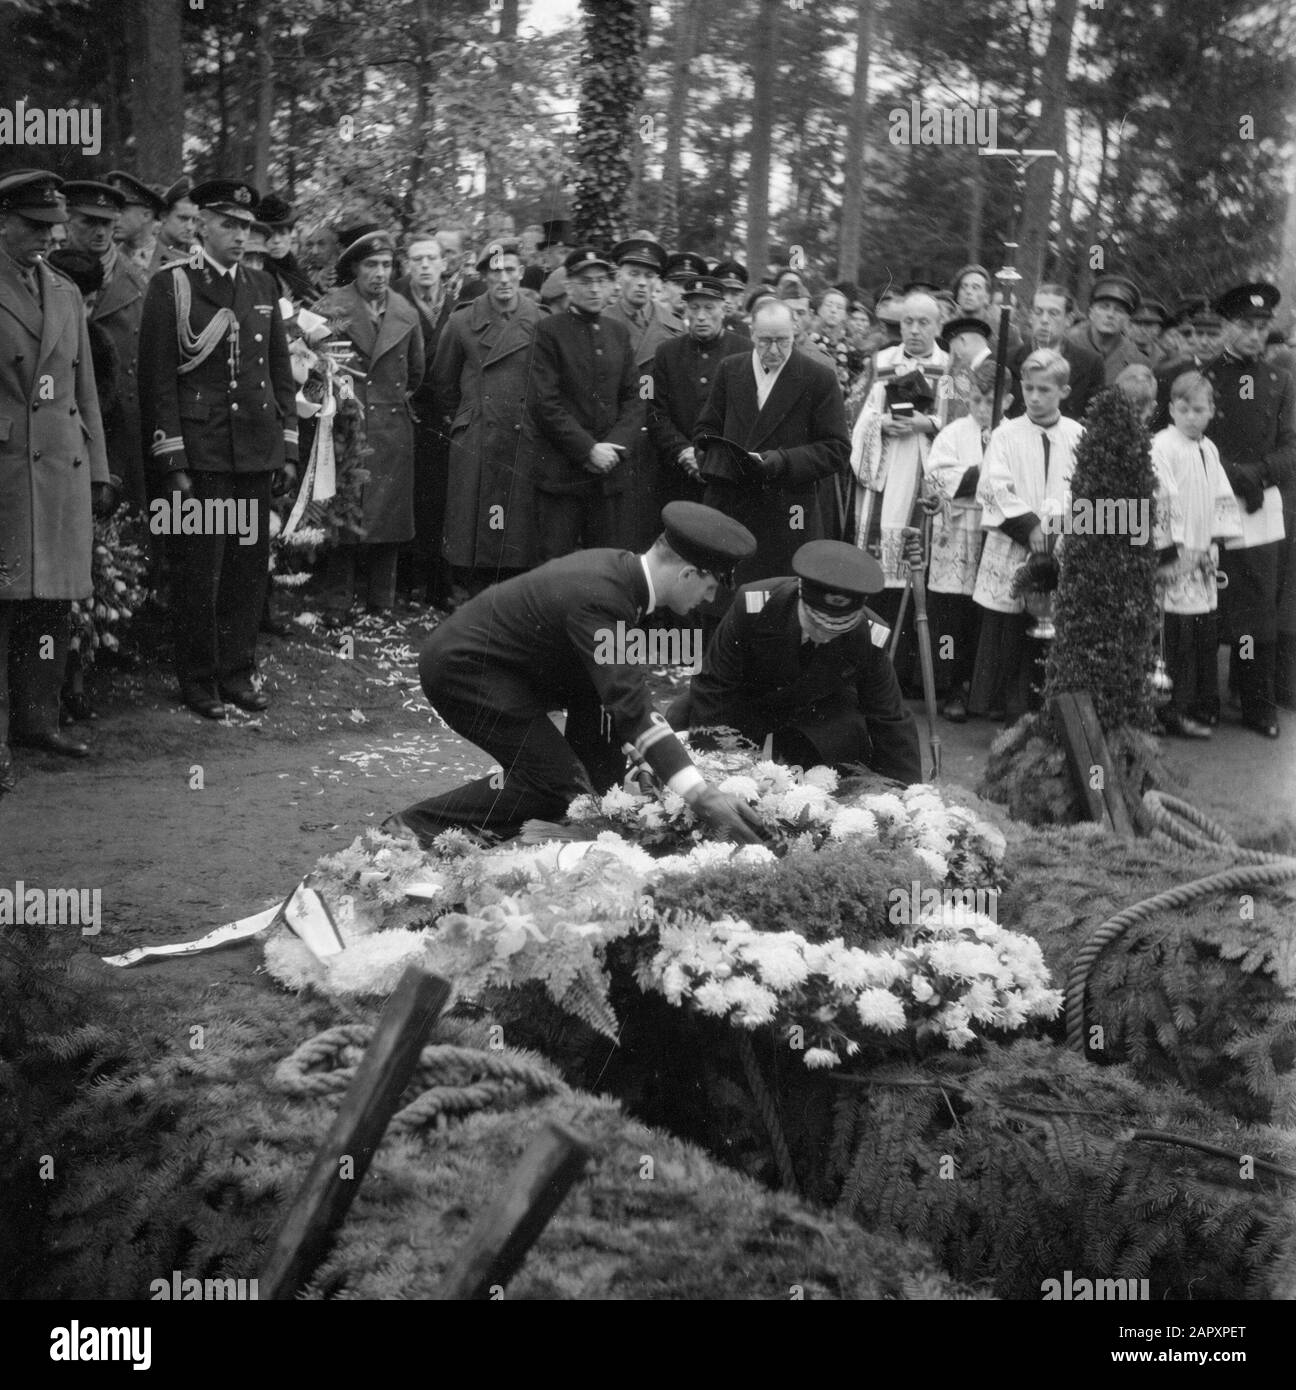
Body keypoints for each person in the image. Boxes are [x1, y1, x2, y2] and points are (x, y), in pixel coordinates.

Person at [383, 502, 767, 845]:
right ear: (687, 575)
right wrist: (700, 795)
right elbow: (630, 701)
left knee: (597, 789)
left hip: (513, 669)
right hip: (466, 672)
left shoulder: (621, 576)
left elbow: (611, 691)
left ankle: (577, 829)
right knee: (555, 785)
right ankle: (409, 830)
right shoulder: (604, 596)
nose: (711, 599)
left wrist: (644, 759)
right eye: (711, 585)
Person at [137, 178, 298, 720]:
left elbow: (279, 371)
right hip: (202, 454)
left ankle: (236, 673)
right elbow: (159, 378)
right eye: (227, 224)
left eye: (246, 227)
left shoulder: (262, 286)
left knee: (248, 570)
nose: (238, 235)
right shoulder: (173, 286)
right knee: (199, 571)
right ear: (201, 224)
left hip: (254, 452)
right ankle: (198, 680)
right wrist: (172, 458)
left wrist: (288, 448)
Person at [0, 170, 113, 789]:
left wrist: (97, 469)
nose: (46, 238)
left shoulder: (64, 291)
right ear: (3, 222)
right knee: (4, 604)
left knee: (50, 606)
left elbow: (84, 390)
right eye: (33, 227)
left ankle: (38, 720)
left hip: (60, 467)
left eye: (52, 228)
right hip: (10, 469)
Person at [675, 540, 922, 783]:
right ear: (801, 599)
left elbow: (889, 716)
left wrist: (909, 794)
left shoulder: (871, 634)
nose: (824, 635)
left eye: (836, 629)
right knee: (687, 728)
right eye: (816, 623)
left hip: (815, 709)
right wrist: (718, 770)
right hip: (746, 699)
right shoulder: (753, 605)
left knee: (842, 762)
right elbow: (715, 683)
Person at [695, 300, 850, 591]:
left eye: (783, 341)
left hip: (789, 510)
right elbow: (705, 430)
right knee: (725, 606)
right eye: (766, 341)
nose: (775, 350)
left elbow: (837, 449)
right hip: (731, 504)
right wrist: (717, 460)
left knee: (779, 601)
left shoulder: (819, 377)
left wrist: (781, 461)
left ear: (795, 332)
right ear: (752, 333)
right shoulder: (730, 369)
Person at [314, 228, 426, 617]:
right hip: (348, 425)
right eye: (371, 265)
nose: (380, 273)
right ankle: (336, 601)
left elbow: (415, 373)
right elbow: (315, 368)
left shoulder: (406, 312)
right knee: (344, 513)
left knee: (390, 519)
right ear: (355, 269)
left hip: (393, 427)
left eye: (386, 265)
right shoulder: (332, 306)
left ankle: (383, 601)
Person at [969, 349, 1084, 722]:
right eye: (1029, 388)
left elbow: (1085, 490)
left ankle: (1051, 709)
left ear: (1063, 391)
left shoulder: (1079, 436)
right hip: (1016, 541)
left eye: (1045, 390)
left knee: (1053, 625)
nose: (1035, 397)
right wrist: (1029, 526)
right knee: (1010, 628)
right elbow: (993, 487)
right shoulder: (1006, 435)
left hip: (1060, 543)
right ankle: (1011, 710)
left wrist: (1056, 527)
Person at [1201, 281, 1295, 738]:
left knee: (1255, 608)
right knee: (1208, 599)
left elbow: (1292, 445)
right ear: (1227, 326)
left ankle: (1256, 703)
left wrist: (1258, 474)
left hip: (1259, 507)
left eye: (1262, 327)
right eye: (1245, 325)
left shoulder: (1280, 380)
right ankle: (1204, 699)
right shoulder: (1203, 376)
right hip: (1214, 502)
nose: (1255, 335)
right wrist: (1228, 474)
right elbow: (1189, 437)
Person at [431, 238, 542, 598]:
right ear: (484, 276)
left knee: (516, 526)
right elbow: (442, 382)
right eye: (496, 272)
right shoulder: (462, 322)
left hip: (523, 433)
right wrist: (467, 416)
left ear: (522, 273)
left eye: (511, 270)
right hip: (478, 432)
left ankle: (509, 600)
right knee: (473, 522)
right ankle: (471, 596)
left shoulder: (541, 321)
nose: (504, 279)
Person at [524, 247, 640, 559]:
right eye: (585, 281)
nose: (594, 288)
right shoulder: (548, 331)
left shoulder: (618, 333)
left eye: (601, 280)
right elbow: (543, 403)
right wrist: (588, 449)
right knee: (555, 567)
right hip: (561, 476)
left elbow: (633, 398)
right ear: (569, 286)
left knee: (607, 566)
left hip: (609, 477)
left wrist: (614, 448)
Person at [1150, 371, 1243, 738]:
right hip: (1176, 556)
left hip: (1201, 554)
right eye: (1183, 409)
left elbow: (1220, 495)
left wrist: (1214, 542)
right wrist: (1169, 552)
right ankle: (1170, 711)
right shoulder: (1163, 446)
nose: (1191, 416)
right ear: (1171, 410)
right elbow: (1160, 499)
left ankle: (1203, 706)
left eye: (1198, 409)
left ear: (1211, 412)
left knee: (1203, 634)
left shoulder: (1209, 448)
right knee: (1174, 638)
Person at [924, 359, 1010, 722]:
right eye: (975, 399)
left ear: (1006, 401)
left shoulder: (1012, 433)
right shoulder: (954, 433)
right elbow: (936, 477)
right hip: (958, 532)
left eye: (989, 401)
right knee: (953, 617)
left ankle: (984, 690)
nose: (980, 408)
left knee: (986, 617)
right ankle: (952, 687)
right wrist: (980, 472)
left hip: (996, 533)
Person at [60, 180, 149, 512]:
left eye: (107, 223)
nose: (100, 232)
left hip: (121, 433)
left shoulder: (139, 284)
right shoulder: (44, 277)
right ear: (68, 219)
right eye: (88, 221)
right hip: (62, 428)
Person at [602, 237, 683, 548]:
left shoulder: (675, 328)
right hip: (613, 447)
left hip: (658, 451)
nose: (641, 283)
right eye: (633, 274)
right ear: (618, 276)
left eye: (649, 276)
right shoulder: (601, 322)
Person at [648, 275, 750, 509]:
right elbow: (655, 412)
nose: (701, 316)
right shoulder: (666, 352)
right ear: (685, 310)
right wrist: (683, 451)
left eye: (709, 308)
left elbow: (748, 415)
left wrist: (713, 457)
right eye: (694, 308)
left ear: (723, 310)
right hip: (677, 473)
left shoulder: (745, 350)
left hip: (727, 475)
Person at [1008, 283, 1104, 422]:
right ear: (1030, 317)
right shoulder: (1007, 359)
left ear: (1069, 320)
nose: (1044, 320)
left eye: (1053, 313)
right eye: (1038, 312)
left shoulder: (1091, 364)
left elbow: (1094, 420)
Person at [1066, 274, 1149, 385]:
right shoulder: (1066, 346)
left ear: (1127, 320)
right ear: (1091, 313)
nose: (1110, 315)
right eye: (1104, 307)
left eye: (1119, 310)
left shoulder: (1138, 361)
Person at [255, 194, 317, 305]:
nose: (277, 241)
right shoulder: (257, 271)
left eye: (282, 233)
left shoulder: (295, 267)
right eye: (270, 234)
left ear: (290, 235)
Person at [104, 171, 165, 272]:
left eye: (121, 210)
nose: (114, 217)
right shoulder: (106, 262)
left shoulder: (179, 261)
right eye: (113, 210)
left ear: (146, 216)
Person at [147, 178, 198, 277]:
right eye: (183, 218)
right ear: (164, 216)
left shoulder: (198, 254)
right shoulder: (147, 252)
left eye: (194, 220)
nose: (190, 227)